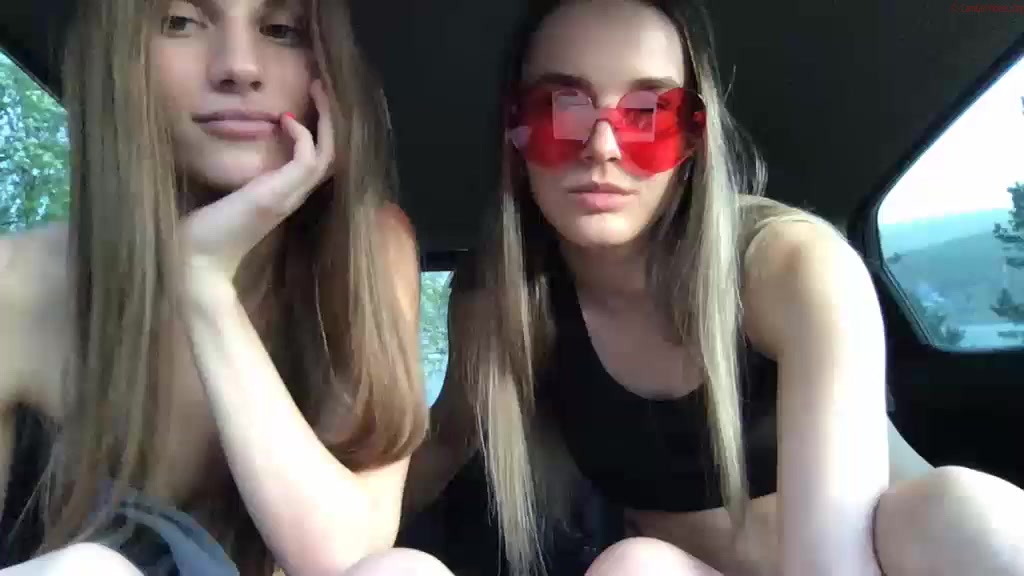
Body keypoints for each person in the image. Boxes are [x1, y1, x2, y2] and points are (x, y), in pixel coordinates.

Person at [406, 0, 1024, 574]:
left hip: (882, 560)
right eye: (561, 109)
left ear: (692, 139)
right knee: (635, 568)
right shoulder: (501, 305)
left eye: (648, 115)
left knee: (964, 509)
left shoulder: (789, 267)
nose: (602, 147)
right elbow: (446, 441)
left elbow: (835, 561)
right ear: (516, 130)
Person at [0, 1, 454, 574]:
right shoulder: (15, 283)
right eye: (181, 22)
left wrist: (203, 287)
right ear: (117, 60)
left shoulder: (368, 253)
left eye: (280, 29)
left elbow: (348, 556)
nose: (239, 66)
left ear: (326, 71)